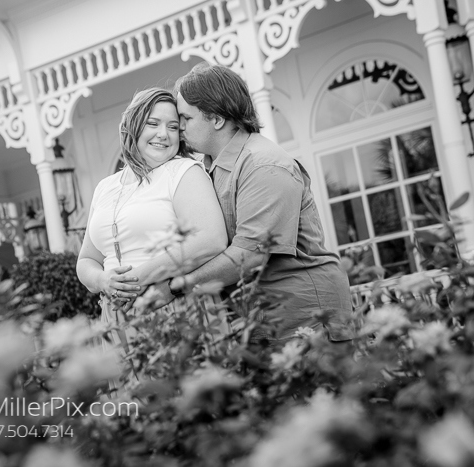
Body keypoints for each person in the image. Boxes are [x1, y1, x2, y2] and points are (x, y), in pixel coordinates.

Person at [159, 63, 354, 342]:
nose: (179, 129)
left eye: (186, 119)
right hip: (260, 317)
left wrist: (176, 287)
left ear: (216, 119)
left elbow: (249, 255)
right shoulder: (206, 168)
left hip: (307, 315)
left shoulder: (263, 164)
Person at [76, 88, 227, 342]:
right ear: (133, 125)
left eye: (172, 127)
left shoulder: (183, 171)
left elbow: (212, 239)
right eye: (153, 123)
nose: (163, 134)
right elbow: (86, 261)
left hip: (173, 307)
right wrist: (103, 280)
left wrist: (135, 281)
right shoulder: (106, 187)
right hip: (116, 318)